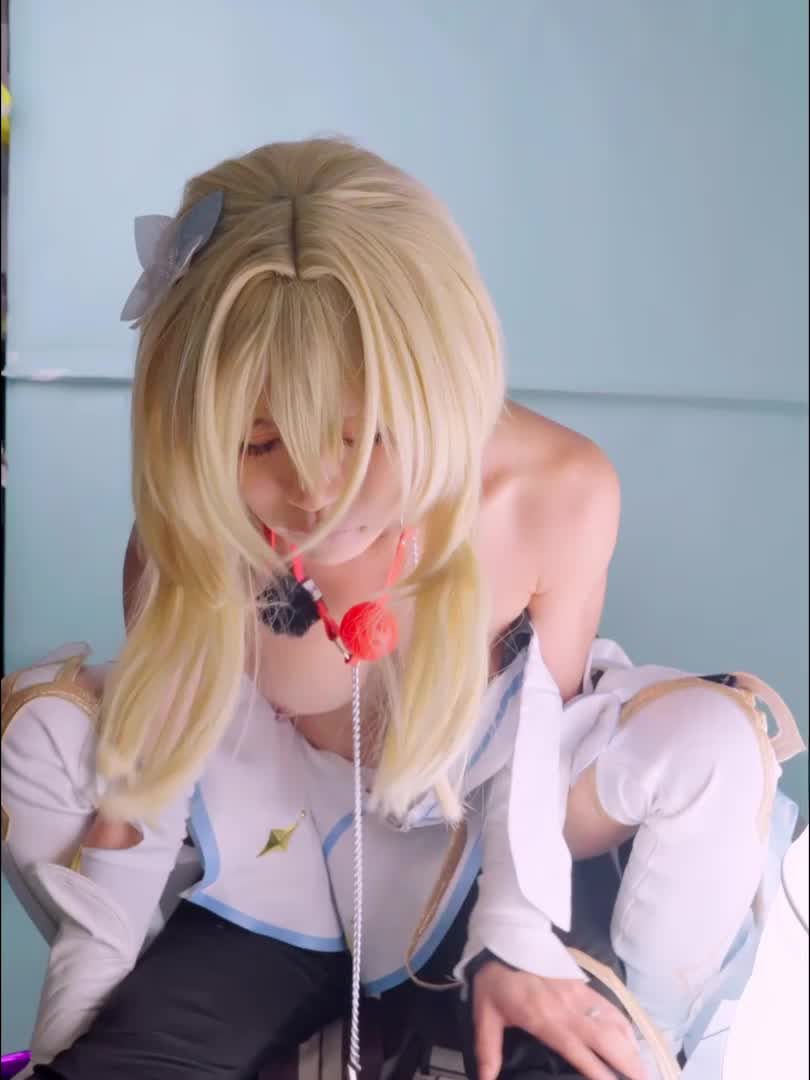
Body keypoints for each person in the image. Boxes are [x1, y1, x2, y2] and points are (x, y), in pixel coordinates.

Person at [1, 138, 802, 1080]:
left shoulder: (557, 493)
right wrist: (79, 1032)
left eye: (363, 437)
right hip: (280, 851)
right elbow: (152, 775)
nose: (316, 493)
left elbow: (532, 743)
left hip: (471, 834)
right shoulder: (196, 525)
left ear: (444, 387)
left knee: (580, 1035)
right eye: (259, 444)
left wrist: (516, 941)